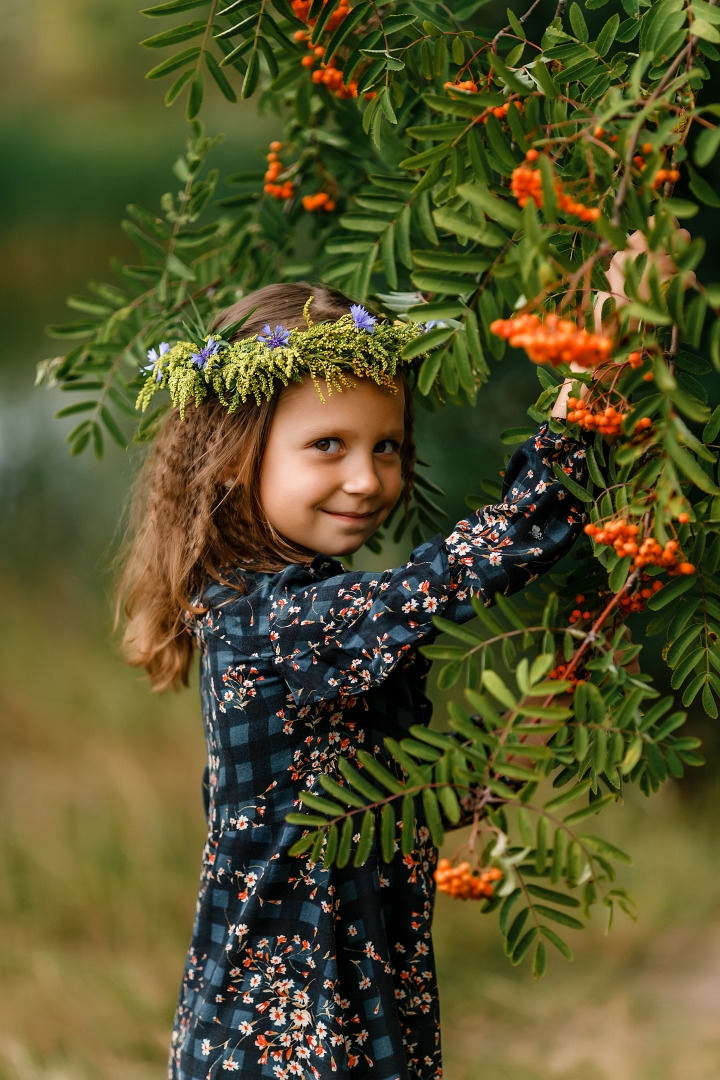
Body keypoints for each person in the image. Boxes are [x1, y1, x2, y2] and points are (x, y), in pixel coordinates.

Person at [118, 281, 591, 1080]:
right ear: (236, 457)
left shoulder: (294, 614)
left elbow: (371, 789)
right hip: (283, 1033)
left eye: (387, 446)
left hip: (342, 998)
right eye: (328, 445)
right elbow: (461, 569)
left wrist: (496, 756)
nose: (368, 480)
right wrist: (589, 403)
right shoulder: (273, 622)